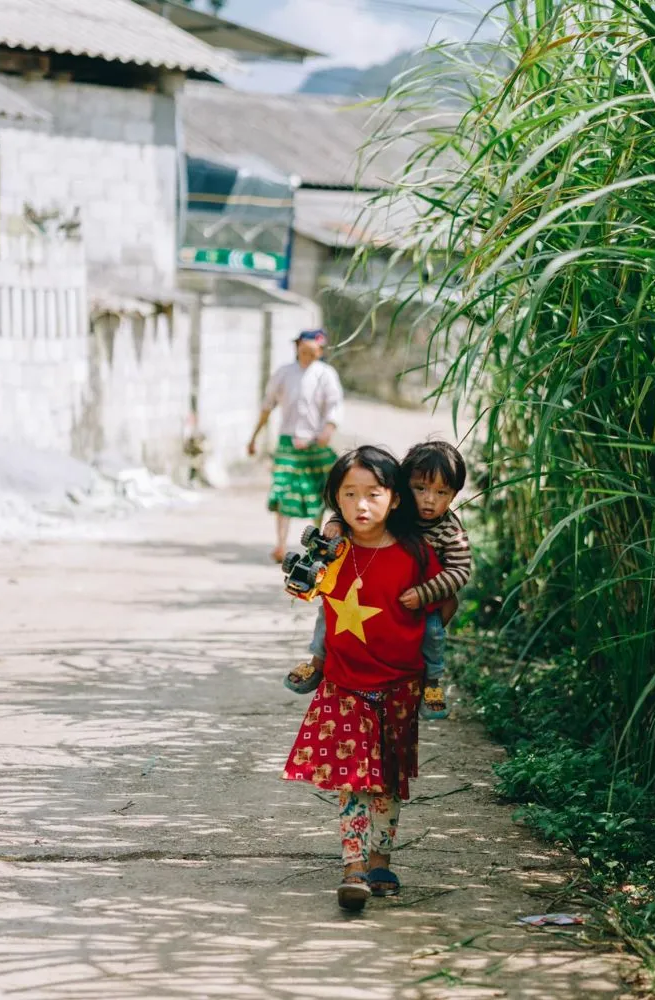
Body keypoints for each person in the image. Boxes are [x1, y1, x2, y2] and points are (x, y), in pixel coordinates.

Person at [281, 446, 442, 911]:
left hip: (401, 685)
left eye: (373, 493)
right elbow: (303, 584)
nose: (361, 505)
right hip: (345, 682)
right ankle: (353, 866)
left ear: (394, 499)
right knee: (353, 778)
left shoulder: (415, 553)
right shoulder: (334, 551)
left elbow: (442, 605)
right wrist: (300, 574)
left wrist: (434, 669)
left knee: (388, 779)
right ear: (335, 500)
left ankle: (380, 859)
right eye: (349, 494)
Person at [284, 440, 471, 720]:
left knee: (432, 633)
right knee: (330, 609)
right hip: (385, 588)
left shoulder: (450, 531)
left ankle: (431, 682)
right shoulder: (399, 512)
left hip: (429, 594)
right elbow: (362, 506)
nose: (429, 500)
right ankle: (317, 662)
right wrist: (337, 521)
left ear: (454, 495)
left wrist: (426, 593)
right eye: (420, 489)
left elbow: (459, 571)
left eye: (441, 492)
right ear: (403, 488)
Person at [247, 329, 344, 562]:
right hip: (288, 442)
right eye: (305, 347)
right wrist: (254, 437)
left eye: (314, 349)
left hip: (315, 442)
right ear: (298, 346)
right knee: (283, 491)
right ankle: (280, 544)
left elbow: (335, 406)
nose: (309, 352)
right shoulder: (284, 373)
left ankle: (320, 542)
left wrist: (328, 429)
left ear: (321, 351)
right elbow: (267, 405)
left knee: (320, 492)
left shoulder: (326, 374)